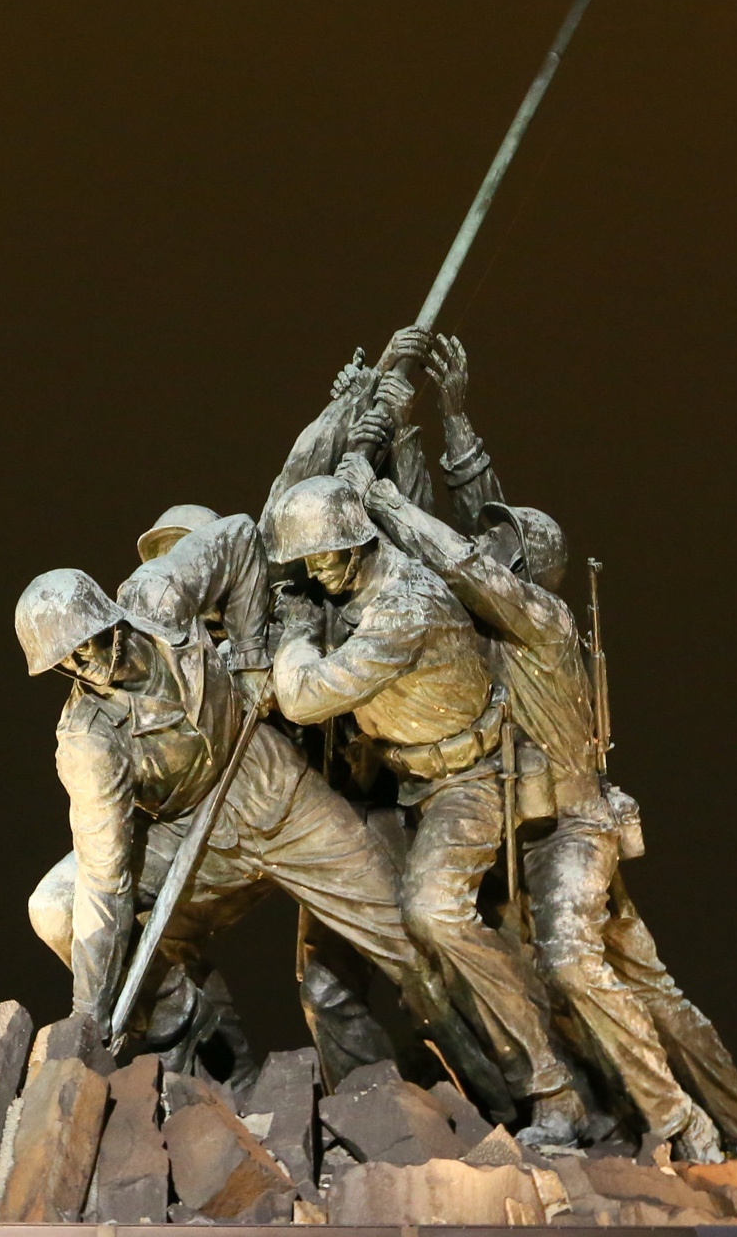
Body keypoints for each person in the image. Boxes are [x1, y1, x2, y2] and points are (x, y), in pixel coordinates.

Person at [351, 333, 737, 1190]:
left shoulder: (541, 620)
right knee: (651, 990)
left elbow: (452, 551)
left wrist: (378, 495)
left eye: (497, 549)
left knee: (575, 963)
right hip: (518, 831)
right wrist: (428, 419)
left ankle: (697, 1131)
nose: (479, 546)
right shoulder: (487, 619)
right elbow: (468, 524)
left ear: (522, 570)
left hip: (575, 825)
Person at [15, 511, 502, 1104]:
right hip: (192, 838)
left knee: (411, 946)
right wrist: (90, 1015)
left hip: (281, 797)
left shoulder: (158, 595)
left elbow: (241, 536)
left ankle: (506, 1094)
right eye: (65, 660)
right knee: (57, 905)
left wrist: (246, 657)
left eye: (85, 643)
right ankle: (193, 1040)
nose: (83, 663)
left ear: (108, 618)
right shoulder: (88, 741)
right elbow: (104, 876)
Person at [263, 471, 588, 1144]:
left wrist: (293, 633)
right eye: (306, 565)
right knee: (327, 947)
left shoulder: (405, 608)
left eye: (324, 559)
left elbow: (303, 697)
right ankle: (372, 1115)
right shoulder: (355, 587)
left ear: (359, 547)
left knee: (435, 912)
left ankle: (554, 1090)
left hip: (464, 782)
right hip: (392, 781)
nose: (316, 576)